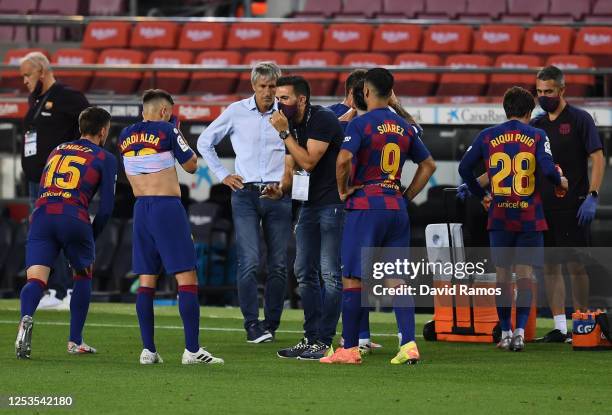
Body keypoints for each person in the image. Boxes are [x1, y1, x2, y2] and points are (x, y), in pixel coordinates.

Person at [322, 68, 436, 365]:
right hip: (395, 208)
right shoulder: (404, 126)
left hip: (366, 206)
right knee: (397, 279)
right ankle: (408, 344)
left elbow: (344, 158)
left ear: (367, 92)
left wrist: (344, 189)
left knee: (352, 278)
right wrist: (406, 196)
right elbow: (428, 166)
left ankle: (349, 349)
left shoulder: (361, 124)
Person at [458, 87, 568, 352]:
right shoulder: (538, 135)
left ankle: (505, 332)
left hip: (500, 216)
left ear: (505, 109)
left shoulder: (487, 135)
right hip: (529, 216)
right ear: (530, 112)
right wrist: (560, 181)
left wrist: (480, 194)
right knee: (526, 277)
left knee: (503, 277)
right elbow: (546, 168)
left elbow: (464, 168)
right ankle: (520, 333)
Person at [119, 89, 223, 365]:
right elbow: (191, 166)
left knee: (146, 280)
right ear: (165, 111)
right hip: (166, 208)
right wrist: (178, 133)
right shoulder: (167, 129)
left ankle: (148, 351)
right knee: (186, 277)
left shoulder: (125, 134)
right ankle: (192, 350)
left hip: (141, 208)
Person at [197, 62, 292, 344]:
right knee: (249, 261)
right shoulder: (236, 111)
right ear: (253, 87)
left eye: (272, 87)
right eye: (262, 87)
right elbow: (204, 141)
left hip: (278, 194)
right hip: (245, 195)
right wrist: (223, 175)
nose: (267, 92)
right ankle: (252, 325)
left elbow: (300, 151)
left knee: (278, 264)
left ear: (278, 87)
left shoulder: (287, 114)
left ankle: (270, 325)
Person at [15, 107, 117, 359]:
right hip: (73, 216)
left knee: (36, 280)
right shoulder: (105, 157)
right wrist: (91, 236)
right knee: (82, 275)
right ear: (103, 131)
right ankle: (75, 341)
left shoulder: (57, 149)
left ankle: (25, 319)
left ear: (81, 127)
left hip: (41, 215)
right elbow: (105, 208)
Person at [263, 75, 344, 360]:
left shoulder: (321, 120)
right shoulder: (293, 125)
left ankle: (325, 340)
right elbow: (292, 165)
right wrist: (281, 190)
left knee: (330, 275)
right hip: (309, 206)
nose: (279, 103)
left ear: (302, 99)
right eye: (277, 98)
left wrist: (285, 134)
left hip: (333, 204)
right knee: (304, 274)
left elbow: (309, 160)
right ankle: (311, 337)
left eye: (284, 98)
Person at [531, 66, 604, 343]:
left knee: (576, 264)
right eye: (539, 91)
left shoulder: (580, 119)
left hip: (574, 204)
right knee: (550, 266)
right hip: (544, 204)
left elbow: (597, 158)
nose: (543, 96)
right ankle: (560, 326)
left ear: (562, 90)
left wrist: (593, 195)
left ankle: (582, 321)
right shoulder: (536, 125)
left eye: (548, 91)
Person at [20, 51, 89, 309]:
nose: (25, 80)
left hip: (58, 182)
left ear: (42, 71)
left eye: (28, 74)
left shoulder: (67, 97)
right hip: (36, 180)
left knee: (56, 234)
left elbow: (91, 126)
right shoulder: (36, 100)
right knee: (41, 236)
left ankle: (66, 290)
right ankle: (56, 290)